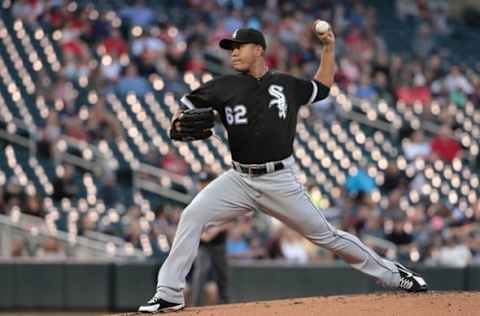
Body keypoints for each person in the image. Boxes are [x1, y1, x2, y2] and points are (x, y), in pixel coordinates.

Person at [139, 25, 428, 313]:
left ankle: (394, 275)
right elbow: (185, 104)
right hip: (239, 179)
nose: (234, 52)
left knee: (327, 236)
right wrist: (176, 121)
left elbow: (322, 88)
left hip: (279, 180)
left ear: (259, 50)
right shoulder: (223, 86)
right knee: (192, 215)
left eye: (239, 46)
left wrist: (328, 49)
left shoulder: (286, 85)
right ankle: (169, 292)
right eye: (231, 48)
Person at [190, 172, 231, 306]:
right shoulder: (196, 200)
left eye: (206, 182)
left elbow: (231, 220)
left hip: (219, 243)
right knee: (201, 272)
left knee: (222, 275)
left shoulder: (222, 198)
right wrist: (203, 235)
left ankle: (225, 303)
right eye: (201, 183)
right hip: (203, 244)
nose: (202, 185)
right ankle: (195, 305)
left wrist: (216, 230)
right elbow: (191, 222)